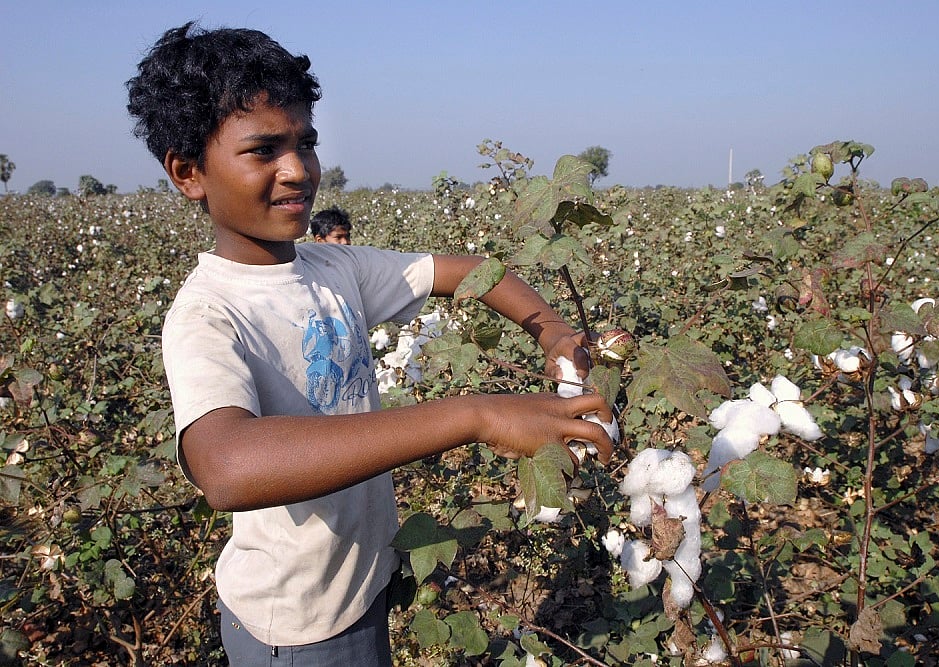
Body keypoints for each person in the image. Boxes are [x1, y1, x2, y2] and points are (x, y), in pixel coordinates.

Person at [126, 22, 615, 665]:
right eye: (263, 150)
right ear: (189, 173)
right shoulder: (208, 315)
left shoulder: (334, 268)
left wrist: (549, 328)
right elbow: (226, 466)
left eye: (306, 143)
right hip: (299, 627)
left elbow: (462, 270)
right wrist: (473, 414)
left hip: (361, 583)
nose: (298, 170)